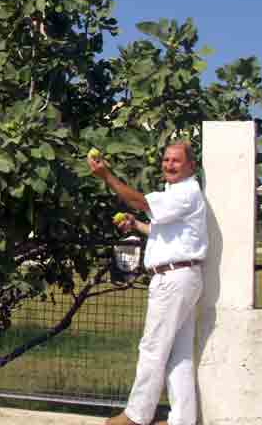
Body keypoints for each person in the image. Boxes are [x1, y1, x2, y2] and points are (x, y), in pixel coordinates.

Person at [88, 141, 207, 425]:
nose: (169, 165)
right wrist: (137, 226)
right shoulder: (179, 193)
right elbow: (165, 230)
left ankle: (136, 416)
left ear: (191, 165)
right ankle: (182, 421)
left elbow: (140, 202)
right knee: (178, 354)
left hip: (172, 280)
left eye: (176, 161)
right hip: (183, 277)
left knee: (153, 348)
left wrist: (107, 176)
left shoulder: (186, 192)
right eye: (166, 159)